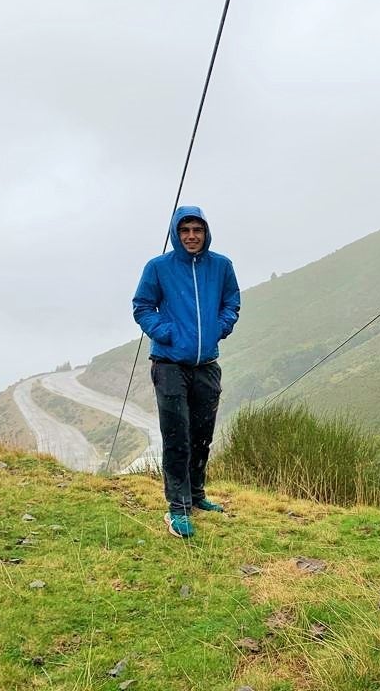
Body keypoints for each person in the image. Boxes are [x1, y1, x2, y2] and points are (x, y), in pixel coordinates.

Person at [133, 206, 240, 539]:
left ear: (206, 233)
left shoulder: (221, 266)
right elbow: (142, 306)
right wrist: (166, 333)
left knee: (202, 434)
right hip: (168, 364)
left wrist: (219, 329)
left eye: (197, 230)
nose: (192, 236)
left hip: (207, 364)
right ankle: (177, 509)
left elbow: (231, 301)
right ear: (175, 234)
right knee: (177, 436)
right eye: (185, 231)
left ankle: (196, 496)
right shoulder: (159, 267)